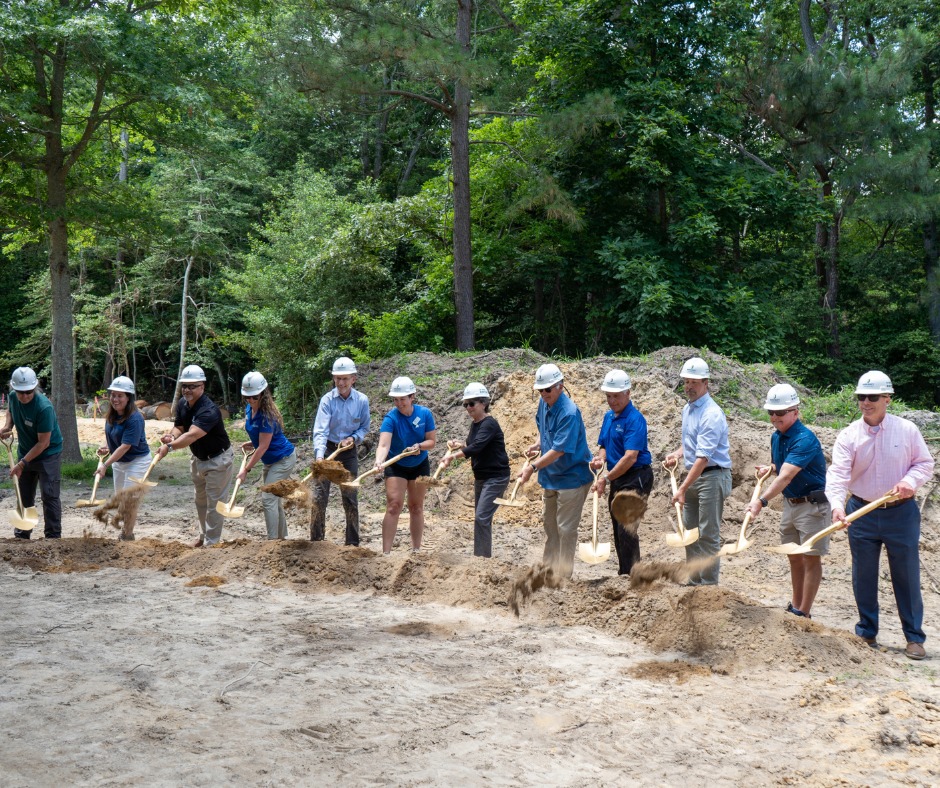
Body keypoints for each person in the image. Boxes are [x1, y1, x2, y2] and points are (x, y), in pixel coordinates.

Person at [825, 370, 934, 660]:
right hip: (861, 511)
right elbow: (837, 475)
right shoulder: (849, 435)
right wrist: (837, 506)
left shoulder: (907, 431)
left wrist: (909, 483)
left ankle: (914, 637)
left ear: (887, 398)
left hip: (900, 513)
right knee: (863, 573)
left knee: (906, 575)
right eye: (861, 397)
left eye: (873, 397)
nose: (866, 402)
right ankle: (866, 631)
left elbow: (924, 464)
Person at [745, 384, 830, 618]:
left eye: (780, 413)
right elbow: (779, 467)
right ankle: (795, 606)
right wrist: (769, 467)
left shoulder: (805, 439)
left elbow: (786, 476)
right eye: (771, 412)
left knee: (811, 558)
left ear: (795, 411)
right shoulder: (777, 437)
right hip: (791, 504)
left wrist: (761, 501)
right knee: (794, 557)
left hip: (812, 506)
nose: (774, 417)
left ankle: (804, 611)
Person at [517, 363, 593, 579]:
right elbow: (543, 427)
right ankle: (549, 570)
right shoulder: (544, 403)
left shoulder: (569, 412)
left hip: (572, 477)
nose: (543, 394)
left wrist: (532, 467)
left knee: (566, 528)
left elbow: (559, 450)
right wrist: (538, 443)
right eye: (540, 390)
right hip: (551, 476)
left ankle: (563, 576)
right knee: (550, 526)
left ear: (560, 386)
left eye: (548, 389)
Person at [664, 356, 732, 585]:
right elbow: (692, 444)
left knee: (708, 534)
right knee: (690, 532)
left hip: (713, 476)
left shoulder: (711, 414)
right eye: (686, 382)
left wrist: (682, 488)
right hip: (696, 475)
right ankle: (693, 583)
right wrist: (677, 453)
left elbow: (703, 457)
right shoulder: (688, 409)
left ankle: (709, 586)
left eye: (694, 382)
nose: (689, 387)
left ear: (706, 383)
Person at [157, 364, 234, 547]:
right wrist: (172, 436)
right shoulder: (183, 404)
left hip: (218, 461)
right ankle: (203, 537)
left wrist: (169, 447)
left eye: (193, 386)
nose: (188, 390)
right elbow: (180, 427)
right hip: (198, 459)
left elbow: (191, 435)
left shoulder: (209, 410)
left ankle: (211, 544)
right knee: (200, 500)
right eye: (185, 386)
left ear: (202, 387)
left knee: (214, 505)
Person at [590, 370, 653, 576]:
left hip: (636, 476)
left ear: (628, 393)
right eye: (608, 396)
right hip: (618, 476)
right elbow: (604, 445)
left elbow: (630, 457)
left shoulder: (635, 419)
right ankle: (625, 572)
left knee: (627, 527)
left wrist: (606, 478)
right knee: (618, 527)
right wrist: (601, 458)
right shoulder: (609, 417)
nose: (612, 400)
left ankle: (634, 575)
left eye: (616, 396)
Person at [443, 382, 511, 558]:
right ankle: (481, 558)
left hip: (496, 478)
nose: (468, 408)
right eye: (465, 404)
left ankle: (482, 559)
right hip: (482, 477)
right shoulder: (476, 424)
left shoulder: (489, 424)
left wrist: (453, 456)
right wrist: (459, 444)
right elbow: (472, 444)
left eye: (472, 404)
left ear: (483, 403)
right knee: (481, 519)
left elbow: (477, 446)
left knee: (481, 517)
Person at [311, 357, 370, 545]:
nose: (341, 383)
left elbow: (364, 428)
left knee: (350, 498)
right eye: (338, 379)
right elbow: (320, 430)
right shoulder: (327, 400)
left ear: (353, 378)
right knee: (319, 497)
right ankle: (316, 541)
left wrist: (353, 438)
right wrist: (320, 458)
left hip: (349, 452)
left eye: (345, 378)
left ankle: (352, 544)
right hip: (328, 450)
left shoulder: (361, 400)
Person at [375, 376, 436, 554]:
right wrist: (379, 460)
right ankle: (386, 553)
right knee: (394, 505)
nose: (399, 403)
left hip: (419, 464)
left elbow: (431, 442)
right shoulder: (391, 418)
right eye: (396, 399)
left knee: (416, 507)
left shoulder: (425, 414)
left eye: (402, 399)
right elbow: (384, 444)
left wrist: (419, 446)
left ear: (412, 397)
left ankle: (416, 550)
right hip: (396, 465)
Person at [1, 367, 62, 539]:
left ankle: (53, 537)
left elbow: (43, 443)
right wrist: (7, 426)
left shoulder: (44, 408)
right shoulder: (13, 397)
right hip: (25, 451)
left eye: (28, 392)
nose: (24, 396)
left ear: (34, 388)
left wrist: (22, 464)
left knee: (49, 495)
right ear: (14, 389)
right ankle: (22, 534)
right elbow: (10, 411)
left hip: (48, 454)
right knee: (24, 494)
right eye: (20, 392)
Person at [237, 372, 296, 541]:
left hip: (283, 459)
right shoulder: (249, 409)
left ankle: (272, 542)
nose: (250, 400)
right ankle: (281, 538)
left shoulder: (267, 416)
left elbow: (263, 447)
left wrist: (246, 469)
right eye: (247, 397)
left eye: (254, 397)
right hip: (270, 460)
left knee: (268, 496)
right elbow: (261, 440)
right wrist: (252, 442)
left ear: (263, 394)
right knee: (274, 499)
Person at [96, 376, 151, 541]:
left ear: (129, 397)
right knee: (121, 500)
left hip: (137, 462)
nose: (115, 399)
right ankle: (126, 532)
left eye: (120, 396)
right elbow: (112, 435)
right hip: (119, 462)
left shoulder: (135, 418)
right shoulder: (112, 415)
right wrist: (106, 445)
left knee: (129, 501)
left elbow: (125, 446)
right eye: (113, 395)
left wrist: (105, 464)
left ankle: (127, 535)